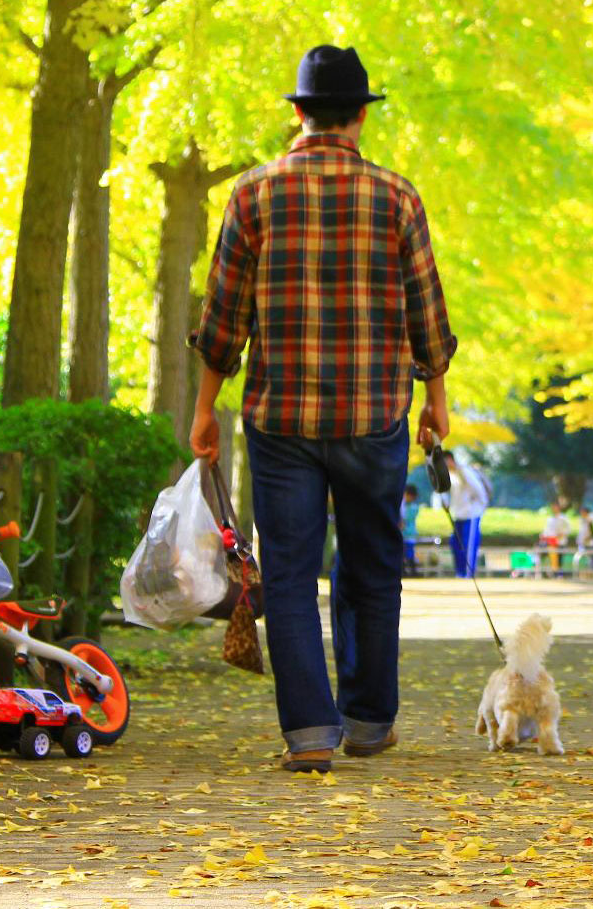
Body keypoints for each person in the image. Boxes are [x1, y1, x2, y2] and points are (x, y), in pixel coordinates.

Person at [189, 44, 457, 774]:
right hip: (375, 417)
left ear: (300, 112)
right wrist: (435, 402)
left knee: (288, 573)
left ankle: (309, 730)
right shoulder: (398, 198)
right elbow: (426, 317)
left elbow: (223, 318)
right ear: (362, 116)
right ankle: (369, 720)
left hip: (282, 421)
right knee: (371, 566)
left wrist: (204, 406)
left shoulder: (252, 194)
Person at [443, 450, 491, 578]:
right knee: (455, 544)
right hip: (458, 515)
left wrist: (477, 508)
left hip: (471, 515)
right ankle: (459, 573)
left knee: (468, 545)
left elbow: (480, 492)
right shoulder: (451, 475)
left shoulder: (465, 472)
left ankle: (468, 574)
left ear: (450, 460)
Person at [539, 500, 569, 575]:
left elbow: (567, 530)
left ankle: (560, 574)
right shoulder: (550, 518)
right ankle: (551, 573)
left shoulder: (563, 518)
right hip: (551, 542)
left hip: (560, 542)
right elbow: (547, 531)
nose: (553, 508)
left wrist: (560, 536)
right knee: (551, 558)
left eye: (555, 507)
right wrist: (543, 536)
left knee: (559, 559)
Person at [400, 485, 423, 577]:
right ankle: (405, 571)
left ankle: (410, 572)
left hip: (408, 534)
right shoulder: (403, 504)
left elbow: (407, 519)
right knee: (403, 554)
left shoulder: (412, 507)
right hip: (404, 534)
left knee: (409, 553)